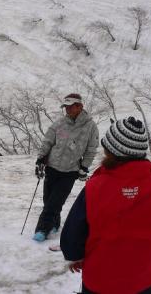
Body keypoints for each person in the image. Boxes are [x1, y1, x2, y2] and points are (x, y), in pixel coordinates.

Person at [60, 116, 151, 294]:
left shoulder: (94, 187)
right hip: (145, 282)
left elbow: (72, 234)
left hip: (98, 282)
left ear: (111, 151)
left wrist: (75, 256)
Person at [33, 93, 99, 242]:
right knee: (48, 200)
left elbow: (91, 149)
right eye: (66, 107)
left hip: (70, 171)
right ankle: (54, 224)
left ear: (80, 106)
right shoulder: (60, 123)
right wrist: (40, 159)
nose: (67, 109)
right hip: (52, 167)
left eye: (71, 106)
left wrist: (84, 167)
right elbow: (48, 141)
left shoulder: (90, 127)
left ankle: (42, 230)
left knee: (55, 202)